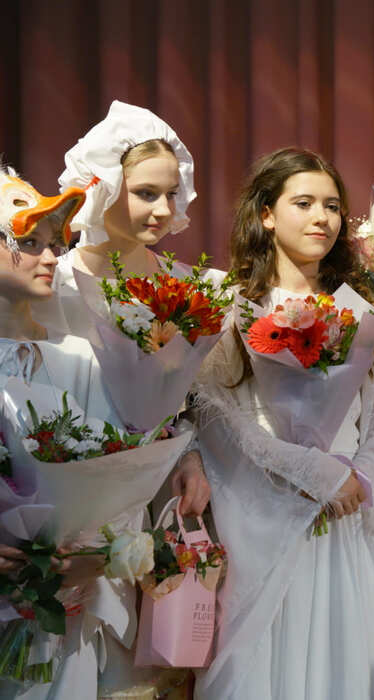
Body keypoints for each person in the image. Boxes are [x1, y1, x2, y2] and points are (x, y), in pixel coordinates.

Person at [191, 148, 374, 699]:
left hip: (347, 521)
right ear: (266, 214)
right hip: (267, 519)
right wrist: (307, 471)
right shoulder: (230, 306)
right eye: (304, 203)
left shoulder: (359, 310)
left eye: (332, 206)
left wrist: (354, 476)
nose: (322, 217)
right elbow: (214, 415)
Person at [0, 169, 188, 699]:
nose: (49, 256)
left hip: (65, 605)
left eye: (53, 243)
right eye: (28, 243)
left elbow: (114, 474)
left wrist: (91, 555)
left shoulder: (82, 358)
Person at [49, 100, 209, 518]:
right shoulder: (51, 283)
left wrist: (189, 453)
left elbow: (194, 398)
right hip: (64, 491)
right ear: (102, 186)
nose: (164, 210)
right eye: (146, 193)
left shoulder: (188, 287)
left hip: (155, 491)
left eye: (171, 194)